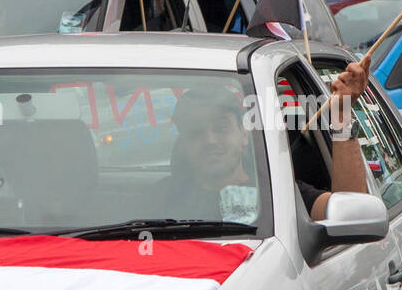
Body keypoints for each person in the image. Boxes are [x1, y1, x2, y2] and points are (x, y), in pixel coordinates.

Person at [158, 60, 371, 221]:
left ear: (243, 134)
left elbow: (352, 214)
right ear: (182, 144)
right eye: (195, 132)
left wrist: (342, 115)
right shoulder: (158, 202)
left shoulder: (280, 194)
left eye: (220, 127)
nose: (210, 140)